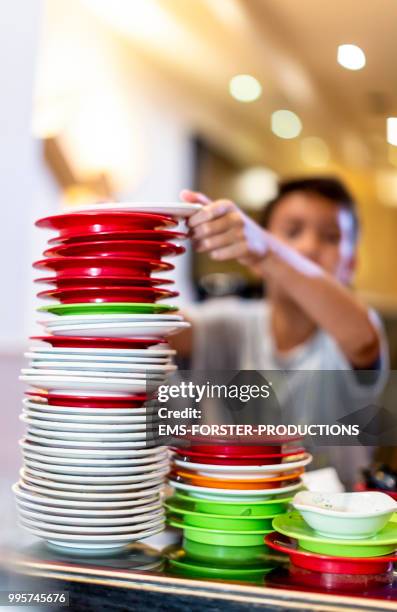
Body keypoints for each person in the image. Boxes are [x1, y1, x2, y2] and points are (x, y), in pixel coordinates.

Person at [170, 176, 389, 487]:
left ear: (351, 263)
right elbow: (156, 332)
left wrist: (269, 251)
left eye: (330, 237)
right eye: (292, 232)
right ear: (255, 262)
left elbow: (364, 341)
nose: (309, 247)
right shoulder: (223, 325)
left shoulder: (352, 332)